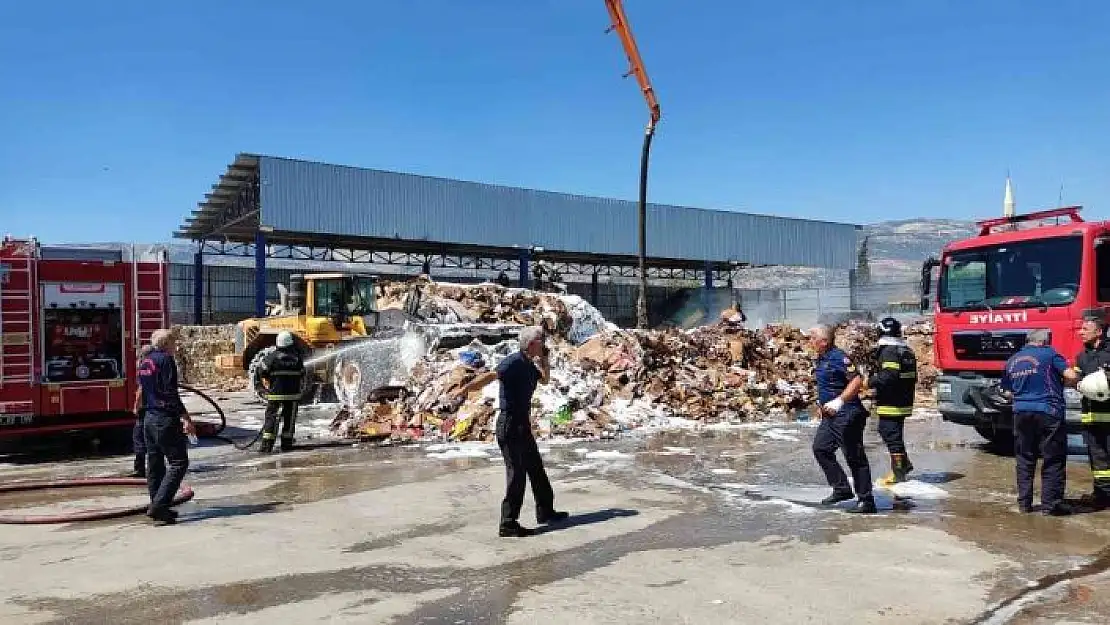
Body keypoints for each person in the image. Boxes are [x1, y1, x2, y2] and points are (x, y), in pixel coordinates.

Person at [450, 326, 568, 537]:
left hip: (522, 424)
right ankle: (508, 522)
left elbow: (545, 380)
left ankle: (545, 511)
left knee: (536, 469)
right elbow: (492, 375)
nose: (545, 344)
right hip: (510, 424)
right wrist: (464, 389)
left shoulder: (529, 364)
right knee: (517, 473)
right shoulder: (513, 361)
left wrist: (545, 361)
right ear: (532, 344)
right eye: (542, 341)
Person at [1001, 328, 1076, 515]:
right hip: (1048, 411)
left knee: (1024, 458)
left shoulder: (1012, 360)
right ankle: (1051, 505)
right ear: (1045, 341)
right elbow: (1071, 375)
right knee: (1053, 458)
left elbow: (1007, 392)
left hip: (1021, 412)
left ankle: (1024, 504)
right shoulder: (1050, 355)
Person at [809, 324, 876, 514]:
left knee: (854, 456)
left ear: (824, 342)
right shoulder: (822, 358)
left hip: (847, 413)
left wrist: (840, 401)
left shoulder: (839, 357)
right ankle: (841, 489)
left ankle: (866, 500)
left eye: (813, 338)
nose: (810, 342)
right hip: (830, 415)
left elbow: (856, 381)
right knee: (821, 448)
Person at [138, 329, 196, 526]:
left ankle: (159, 505)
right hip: (164, 418)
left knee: (155, 463)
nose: (176, 346)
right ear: (167, 343)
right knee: (179, 462)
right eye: (174, 342)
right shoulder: (165, 360)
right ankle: (159, 505)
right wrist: (185, 417)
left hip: (149, 418)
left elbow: (143, 390)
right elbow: (170, 392)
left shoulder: (145, 361)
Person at [868, 317, 917, 484]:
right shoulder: (905, 350)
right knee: (892, 433)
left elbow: (889, 376)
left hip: (892, 401)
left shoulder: (889, 351)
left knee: (890, 434)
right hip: (903, 400)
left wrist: (870, 381)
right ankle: (904, 464)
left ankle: (899, 472)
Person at [1068, 317, 1110, 510]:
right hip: (1091, 419)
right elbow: (1076, 381)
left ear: (1099, 332)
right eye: (1081, 329)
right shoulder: (1081, 357)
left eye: (1085, 329)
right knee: (1098, 462)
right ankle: (1102, 496)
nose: (1080, 332)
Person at [257, 331, 305, 453]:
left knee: (271, 418)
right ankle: (287, 444)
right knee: (289, 419)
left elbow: (261, 371)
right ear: (290, 344)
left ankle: (267, 445)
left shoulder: (271, 358)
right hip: (292, 396)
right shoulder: (297, 359)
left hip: (275, 395)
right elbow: (302, 374)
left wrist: (265, 385)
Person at [129, 344, 154, 478]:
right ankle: (154, 467)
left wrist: (136, 406)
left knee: (139, 437)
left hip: (145, 409)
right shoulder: (160, 365)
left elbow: (141, 389)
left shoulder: (145, 367)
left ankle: (140, 469)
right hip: (156, 409)